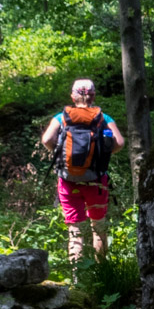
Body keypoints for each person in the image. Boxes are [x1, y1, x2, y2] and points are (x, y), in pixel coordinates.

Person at [39, 79, 126, 267]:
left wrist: (57, 151)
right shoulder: (103, 118)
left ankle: (76, 278)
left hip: (67, 180)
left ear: (73, 96)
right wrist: (103, 153)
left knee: (75, 231)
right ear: (93, 96)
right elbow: (119, 143)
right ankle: (102, 272)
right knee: (99, 227)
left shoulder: (61, 117)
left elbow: (46, 139)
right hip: (96, 180)